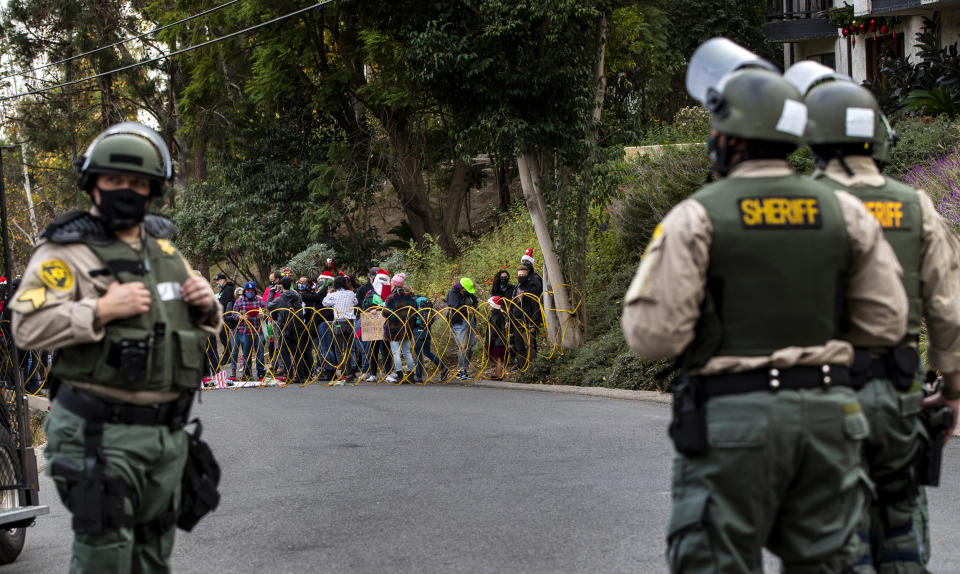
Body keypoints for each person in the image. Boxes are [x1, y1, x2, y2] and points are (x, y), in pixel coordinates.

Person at [622, 39, 909, 573]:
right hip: (831, 418)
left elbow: (652, 336)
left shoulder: (695, 216)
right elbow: (888, 320)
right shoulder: (845, 212)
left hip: (734, 421)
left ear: (730, 138)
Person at [10, 121, 222, 572]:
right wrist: (100, 309)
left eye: (138, 183)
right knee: (104, 558)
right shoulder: (65, 252)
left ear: (153, 190)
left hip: (164, 437)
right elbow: (26, 327)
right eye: (114, 180)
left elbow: (184, 330)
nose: (127, 190)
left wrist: (207, 307)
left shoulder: (165, 253)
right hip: (97, 434)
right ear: (93, 184)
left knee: (151, 559)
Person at [786, 61, 960, 572]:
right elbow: (949, 311)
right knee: (902, 522)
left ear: (815, 140)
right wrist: (951, 390)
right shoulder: (918, 206)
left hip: (819, 399)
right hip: (898, 397)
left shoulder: (795, 208)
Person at [267, 276, 306, 384]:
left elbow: (269, 306)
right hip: (297, 326)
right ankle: (300, 375)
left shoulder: (281, 298)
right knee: (297, 352)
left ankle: (290, 374)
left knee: (284, 351)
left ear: (282, 286)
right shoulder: (297, 295)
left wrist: (271, 292)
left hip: (285, 327)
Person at [323, 275, 359, 383]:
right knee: (348, 348)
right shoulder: (351, 293)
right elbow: (356, 302)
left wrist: (329, 293)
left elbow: (324, 303)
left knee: (338, 348)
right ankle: (349, 372)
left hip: (339, 322)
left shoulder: (334, 295)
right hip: (350, 323)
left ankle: (344, 372)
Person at [383, 273, 417, 383]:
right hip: (406, 328)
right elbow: (413, 313)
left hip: (393, 329)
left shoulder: (390, 298)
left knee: (396, 353)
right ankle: (411, 376)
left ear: (394, 284)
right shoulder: (409, 297)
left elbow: (386, 313)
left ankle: (400, 376)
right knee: (407, 352)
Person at [361, 269, 393, 382]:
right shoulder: (370, 293)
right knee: (373, 349)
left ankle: (388, 373)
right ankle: (373, 373)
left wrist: (382, 309)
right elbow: (364, 306)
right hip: (373, 324)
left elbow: (393, 308)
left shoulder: (390, 294)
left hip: (386, 324)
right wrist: (370, 310)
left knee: (386, 349)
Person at [231, 281, 266, 380]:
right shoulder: (239, 301)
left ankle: (261, 373)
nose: (250, 292)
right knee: (247, 354)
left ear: (255, 291)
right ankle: (247, 374)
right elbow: (234, 314)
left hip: (257, 331)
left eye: (252, 290)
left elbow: (266, 309)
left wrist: (263, 314)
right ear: (245, 291)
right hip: (244, 332)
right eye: (248, 290)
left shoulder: (259, 300)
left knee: (259, 353)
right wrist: (241, 317)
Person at [446, 277, 478, 380]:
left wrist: (474, 307)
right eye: (465, 290)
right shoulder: (452, 293)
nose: (466, 292)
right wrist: (466, 309)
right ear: (461, 288)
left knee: (470, 345)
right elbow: (455, 307)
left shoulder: (468, 293)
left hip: (470, 321)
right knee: (463, 346)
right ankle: (462, 371)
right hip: (458, 322)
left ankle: (465, 369)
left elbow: (475, 301)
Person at [486, 296, 508, 380]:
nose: (488, 306)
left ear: (493, 306)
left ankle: (499, 375)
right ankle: (498, 374)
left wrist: (489, 343)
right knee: (499, 359)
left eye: (489, 305)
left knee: (498, 359)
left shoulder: (494, 317)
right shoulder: (500, 314)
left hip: (497, 342)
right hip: (501, 341)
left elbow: (493, 331)